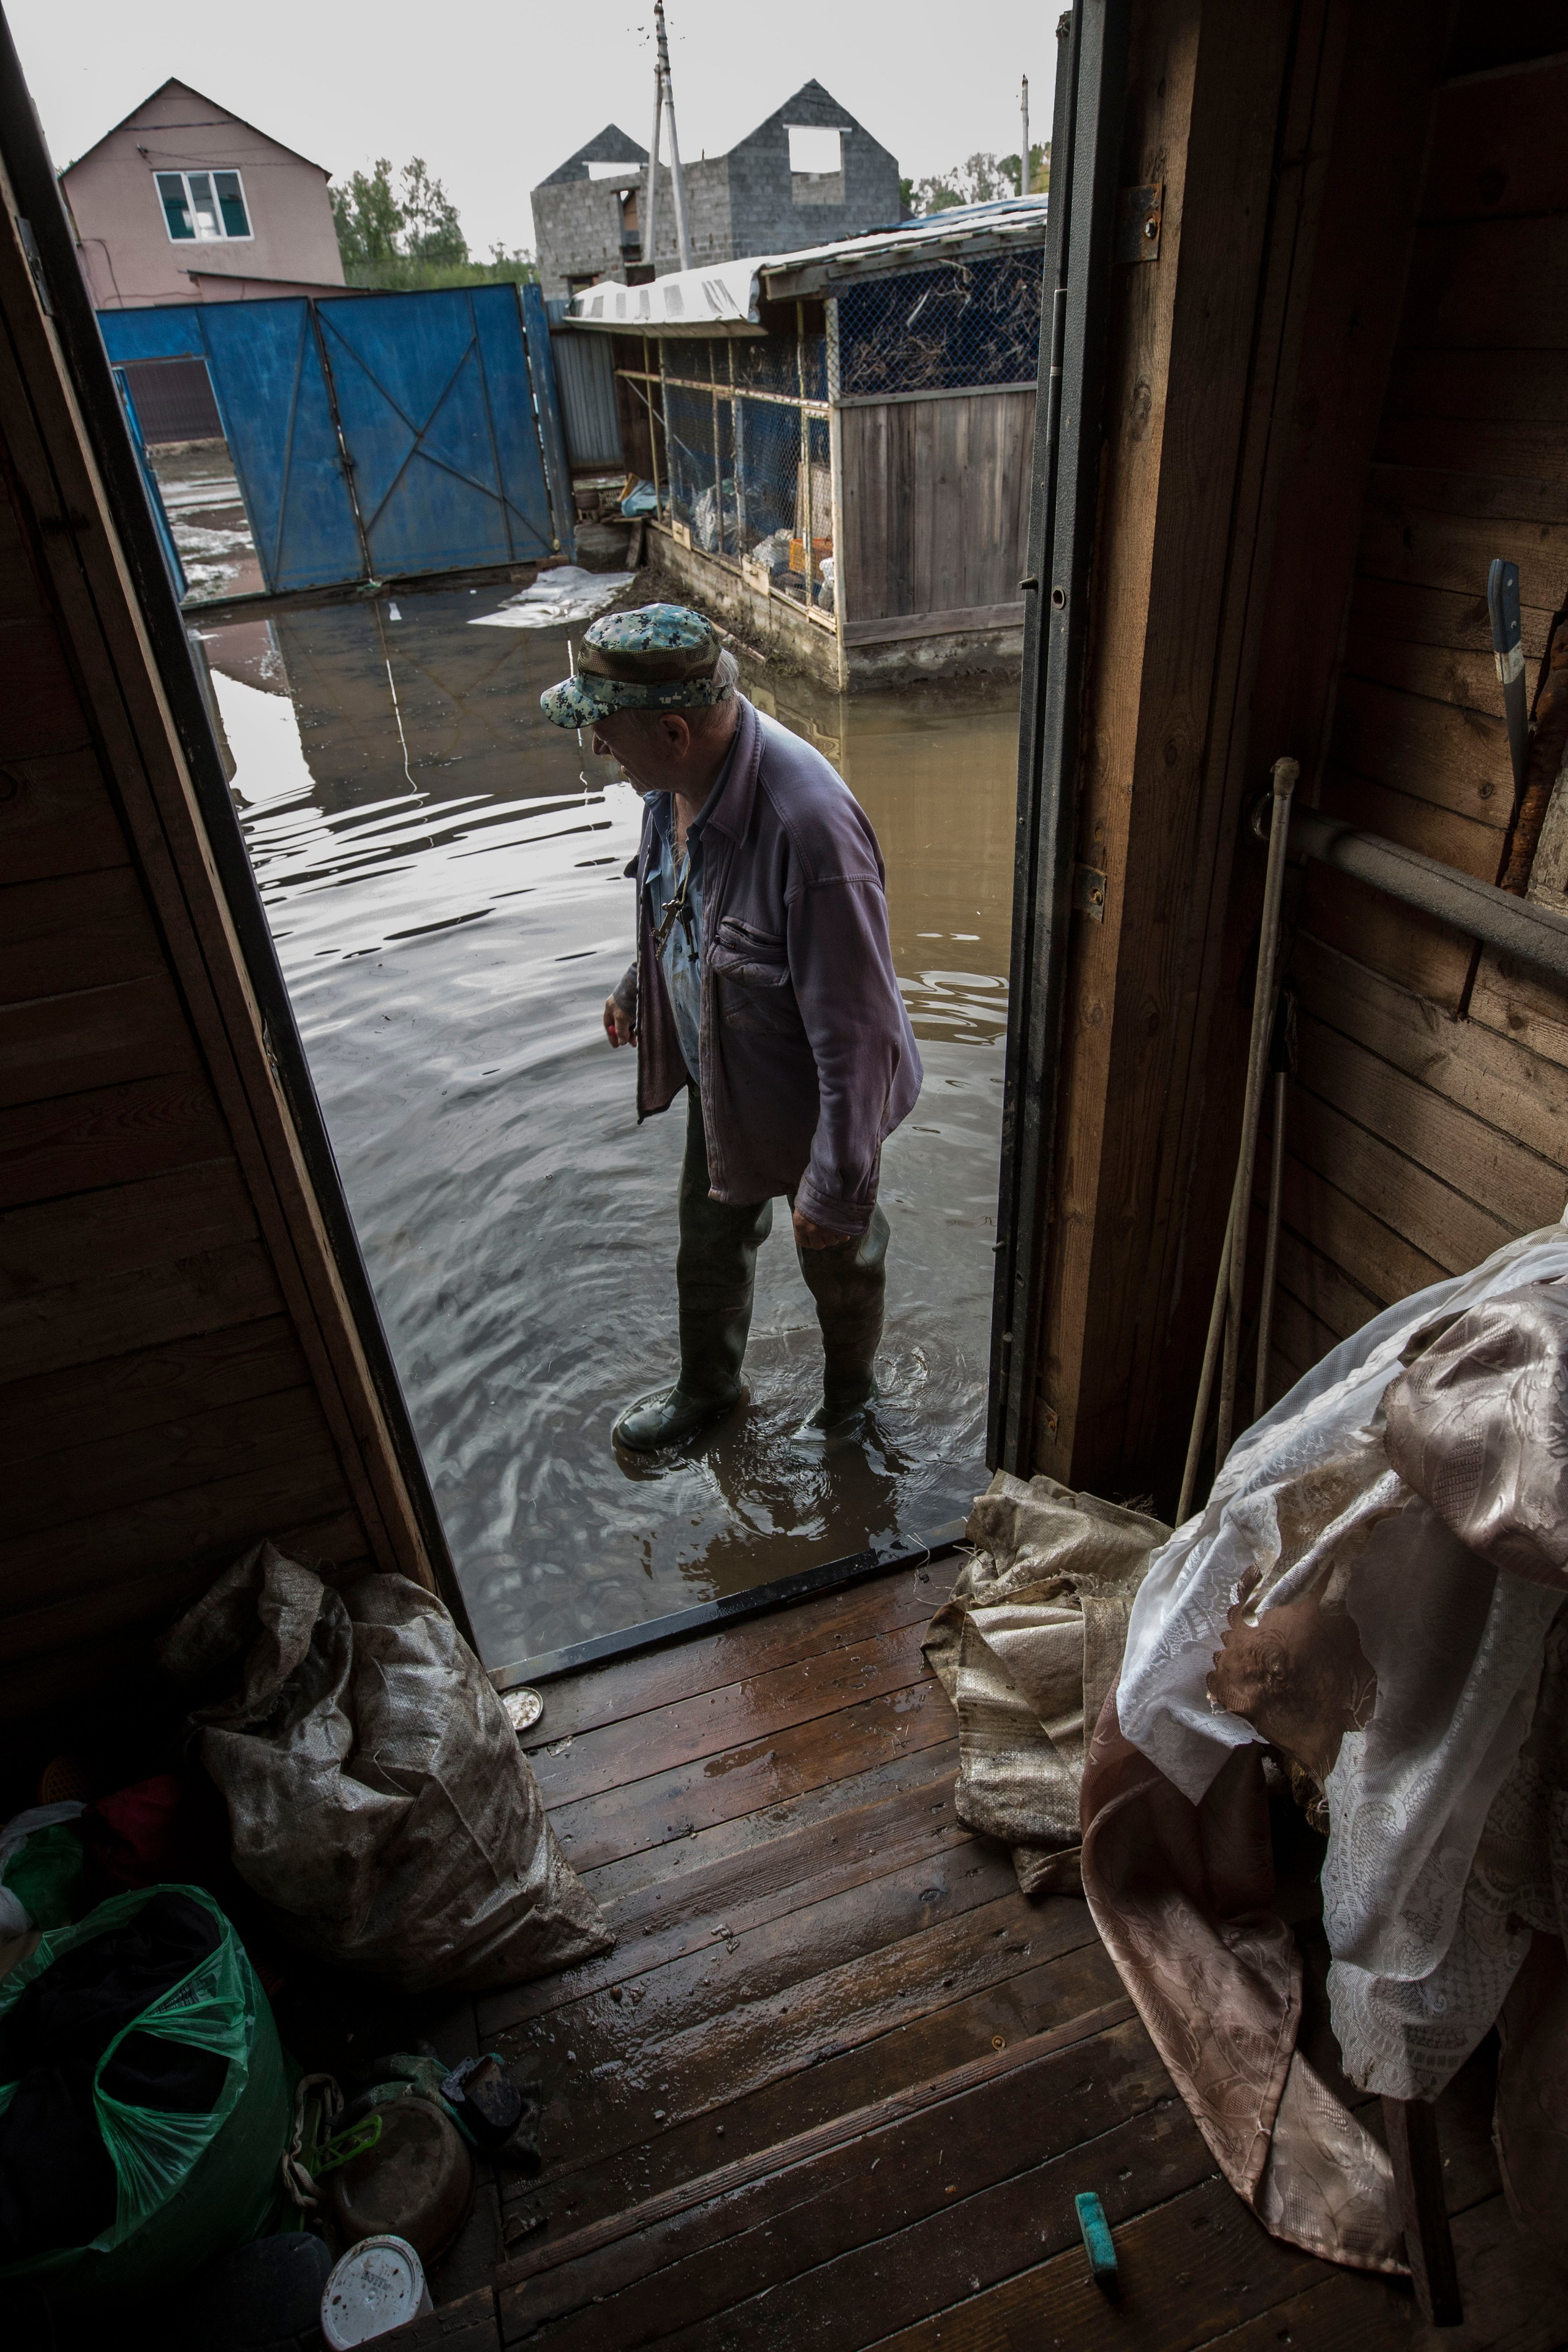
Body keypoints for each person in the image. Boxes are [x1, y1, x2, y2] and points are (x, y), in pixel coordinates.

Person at [540, 603, 922, 1452]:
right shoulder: (670, 782)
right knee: (707, 1243)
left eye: (606, 729)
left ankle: (849, 1407)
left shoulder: (809, 831)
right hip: (726, 1068)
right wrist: (638, 984)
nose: (599, 745)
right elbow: (676, 898)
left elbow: (860, 1038)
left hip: (816, 1097)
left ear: (674, 730)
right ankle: (708, 1392)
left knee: (839, 1254)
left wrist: (834, 1179)